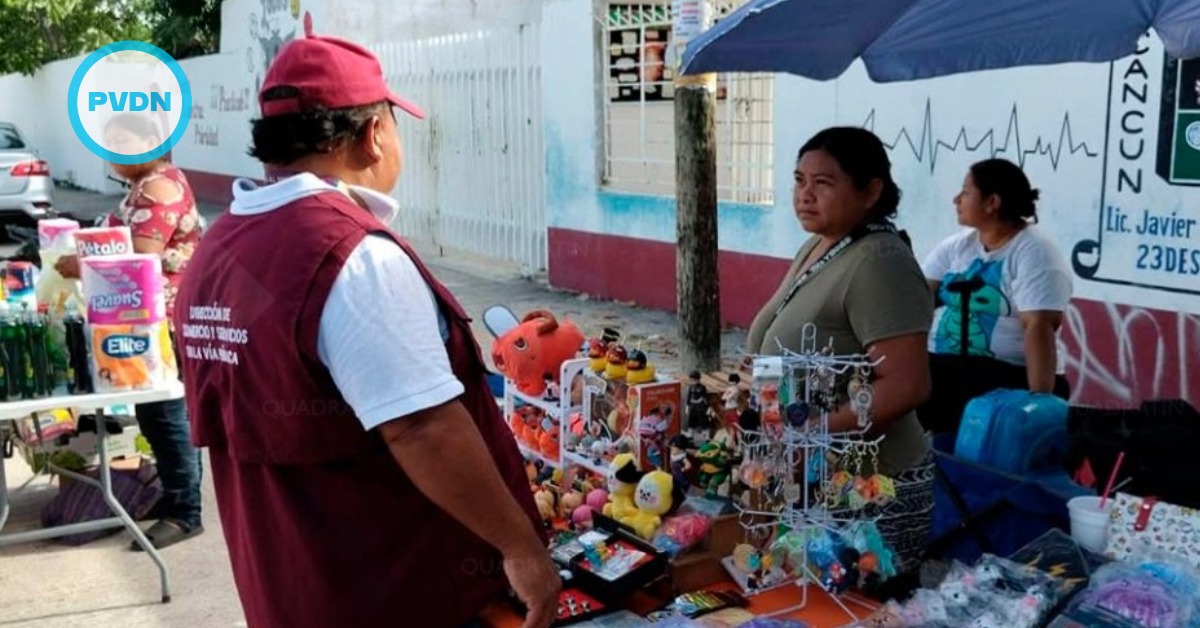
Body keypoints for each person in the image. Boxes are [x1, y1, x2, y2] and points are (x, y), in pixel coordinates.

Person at [173, 28, 558, 628]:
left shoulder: (216, 250)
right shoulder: (349, 254)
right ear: (374, 133)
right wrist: (522, 549)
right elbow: (423, 427)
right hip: (403, 594)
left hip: (289, 590)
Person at [745, 126, 935, 580]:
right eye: (799, 180)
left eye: (823, 183)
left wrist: (812, 431)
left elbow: (906, 385)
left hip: (870, 488)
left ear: (870, 191)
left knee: (856, 604)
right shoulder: (821, 244)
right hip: (810, 474)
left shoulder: (880, 262)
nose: (804, 195)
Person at [56, 112, 205, 550]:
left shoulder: (159, 188)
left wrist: (80, 265)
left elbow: (140, 256)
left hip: (164, 321)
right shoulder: (143, 185)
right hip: (142, 319)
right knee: (155, 415)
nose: (114, 155)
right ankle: (175, 496)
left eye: (123, 144)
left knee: (168, 414)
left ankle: (185, 512)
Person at [917, 158, 1072, 434]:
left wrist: (1038, 407)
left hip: (1003, 377)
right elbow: (918, 299)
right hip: (943, 369)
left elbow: (1038, 327)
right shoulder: (956, 247)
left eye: (966, 192)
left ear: (992, 202)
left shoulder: (1035, 253)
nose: (956, 199)